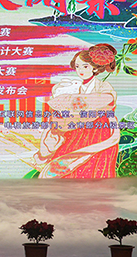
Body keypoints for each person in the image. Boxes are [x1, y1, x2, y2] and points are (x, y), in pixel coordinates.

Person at [35, 43, 120, 178]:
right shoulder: (73, 87)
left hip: (98, 132)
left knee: (92, 167)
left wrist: (72, 102)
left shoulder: (103, 86)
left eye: (85, 66)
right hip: (76, 131)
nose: (80, 70)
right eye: (77, 66)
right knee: (64, 164)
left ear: (94, 68)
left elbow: (105, 101)